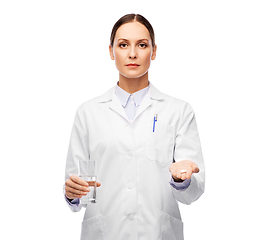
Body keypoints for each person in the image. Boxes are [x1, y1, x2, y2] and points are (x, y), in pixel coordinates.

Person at [64, 13, 205, 240]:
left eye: (141, 45)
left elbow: (193, 193)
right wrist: (73, 194)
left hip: (158, 233)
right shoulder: (88, 113)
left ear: (154, 51)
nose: (132, 54)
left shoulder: (179, 111)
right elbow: (81, 190)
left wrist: (183, 180)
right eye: (123, 45)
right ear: (111, 51)